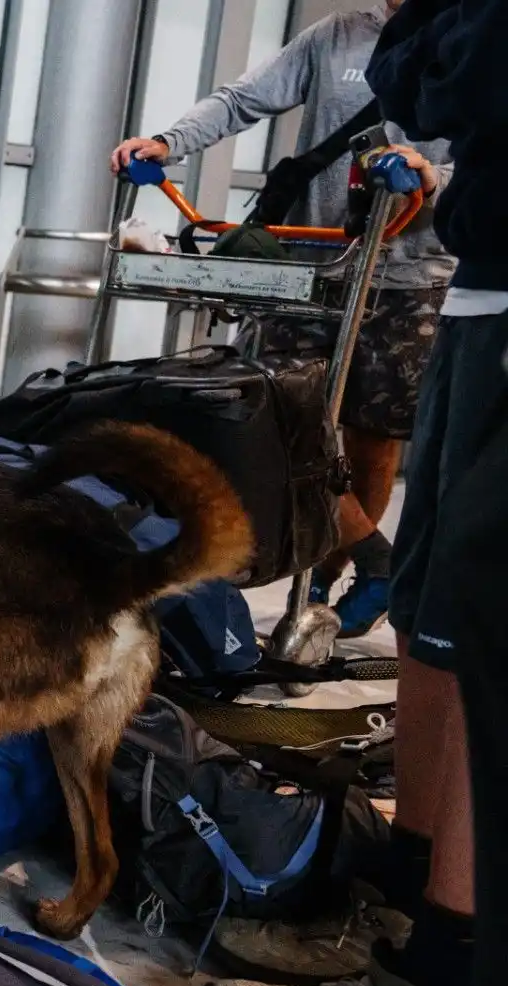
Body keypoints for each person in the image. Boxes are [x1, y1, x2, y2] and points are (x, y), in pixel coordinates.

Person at [198, 0, 505, 986]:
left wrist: (432, 55)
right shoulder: (341, 34)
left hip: (456, 283)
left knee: (482, 625)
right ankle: (412, 899)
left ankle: (454, 980)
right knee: (431, 615)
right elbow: (426, 77)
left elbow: (454, 85)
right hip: (483, 285)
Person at [109, 0, 451, 639]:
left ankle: (325, 580)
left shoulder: (473, 37)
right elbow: (242, 99)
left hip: (411, 274)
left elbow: (491, 163)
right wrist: (167, 141)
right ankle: (376, 559)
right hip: (311, 266)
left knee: (371, 445)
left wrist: (434, 178)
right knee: (275, 420)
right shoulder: (338, 36)